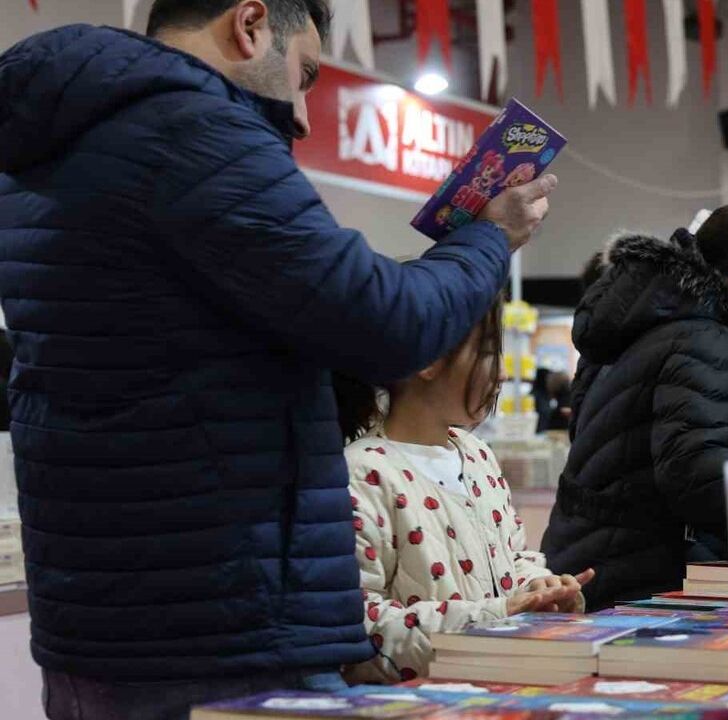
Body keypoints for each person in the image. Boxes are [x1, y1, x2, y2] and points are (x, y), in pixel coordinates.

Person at [0, 2, 555, 716]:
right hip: (225, 628)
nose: (303, 115)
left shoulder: (54, 152)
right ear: (250, 24)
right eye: (306, 75)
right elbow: (391, 323)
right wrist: (488, 240)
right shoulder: (194, 131)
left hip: (98, 622)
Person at [542, 206, 728, 609]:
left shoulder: (631, 323)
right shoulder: (711, 341)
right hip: (647, 572)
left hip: (580, 556)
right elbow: (697, 475)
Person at [334, 298, 592, 684]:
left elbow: (514, 556)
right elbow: (359, 624)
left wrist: (540, 588)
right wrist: (498, 615)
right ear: (428, 362)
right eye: (488, 353)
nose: (503, 373)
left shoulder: (476, 454)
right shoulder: (364, 471)